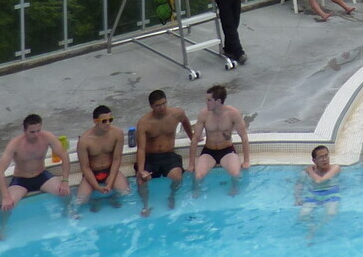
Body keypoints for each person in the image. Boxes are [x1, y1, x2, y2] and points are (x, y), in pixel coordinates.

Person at [0, 113, 71, 239]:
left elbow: (64, 156)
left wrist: (65, 181)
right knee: (6, 206)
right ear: (25, 131)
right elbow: (0, 171)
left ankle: (68, 211)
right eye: (32, 132)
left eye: (38, 130)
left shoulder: (47, 137)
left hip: (41, 176)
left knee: (65, 192)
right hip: (21, 180)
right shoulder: (15, 144)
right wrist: (5, 196)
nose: (36, 135)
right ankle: (2, 229)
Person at [135, 88, 194, 216]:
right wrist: (141, 170)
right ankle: (145, 206)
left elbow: (185, 121)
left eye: (164, 104)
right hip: (150, 157)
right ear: (151, 106)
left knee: (177, 177)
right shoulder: (144, 123)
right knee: (141, 180)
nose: (162, 108)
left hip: (168, 155)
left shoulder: (176, 113)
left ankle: (172, 196)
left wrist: (192, 137)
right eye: (158, 105)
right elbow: (141, 149)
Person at [192, 84, 250, 192]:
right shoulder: (204, 114)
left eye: (209, 100)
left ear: (218, 101)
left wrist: (246, 161)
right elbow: (195, 139)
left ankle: (234, 191)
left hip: (227, 151)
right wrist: (191, 164)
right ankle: (196, 194)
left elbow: (244, 137)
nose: (206, 103)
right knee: (198, 176)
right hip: (209, 151)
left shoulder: (233, 114)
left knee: (236, 174)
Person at [76, 104, 129, 209]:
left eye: (110, 120)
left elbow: (116, 159)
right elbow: (85, 167)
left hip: (110, 170)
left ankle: (112, 198)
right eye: (104, 121)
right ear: (95, 121)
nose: (108, 123)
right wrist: (96, 186)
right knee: (80, 202)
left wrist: (111, 181)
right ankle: (95, 201)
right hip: (92, 173)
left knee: (125, 194)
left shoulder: (117, 133)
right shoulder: (84, 140)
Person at [298, 145, 341, 236]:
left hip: (331, 193)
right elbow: (299, 183)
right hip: (313, 194)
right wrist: (297, 197)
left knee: (331, 213)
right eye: (321, 157)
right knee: (303, 215)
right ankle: (311, 227)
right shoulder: (308, 171)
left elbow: (319, 181)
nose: (325, 159)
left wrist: (310, 170)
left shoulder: (335, 168)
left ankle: (317, 229)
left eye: (326, 156)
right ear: (314, 160)